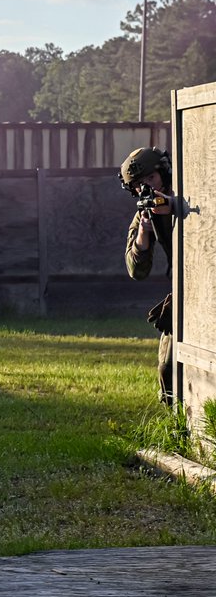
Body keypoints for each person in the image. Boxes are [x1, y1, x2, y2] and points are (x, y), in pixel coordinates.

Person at [120, 147, 176, 406]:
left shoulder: (186, 194)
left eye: (151, 179)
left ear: (163, 173)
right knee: (167, 369)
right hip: (184, 291)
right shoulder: (145, 212)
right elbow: (136, 271)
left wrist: (174, 210)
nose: (147, 189)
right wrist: (144, 232)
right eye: (140, 185)